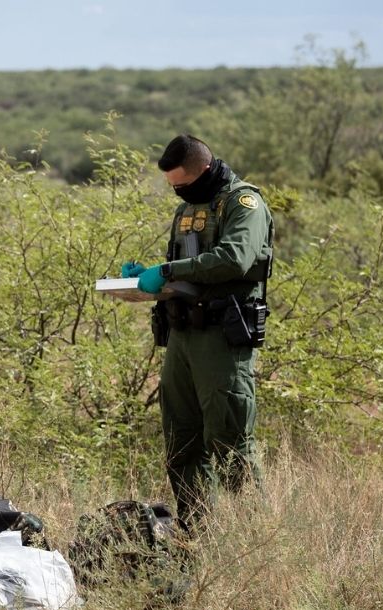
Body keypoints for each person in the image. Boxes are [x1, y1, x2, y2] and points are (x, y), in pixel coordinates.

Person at [122, 134, 274, 528]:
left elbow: (233, 259)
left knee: (229, 443)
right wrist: (147, 278)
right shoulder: (189, 209)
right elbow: (190, 265)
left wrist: (169, 272)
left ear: (204, 170)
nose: (178, 192)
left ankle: (254, 538)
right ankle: (199, 537)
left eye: (182, 185)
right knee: (181, 443)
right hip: (182, 337)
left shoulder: (244, 203)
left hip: (222, 341)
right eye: (172, 187)